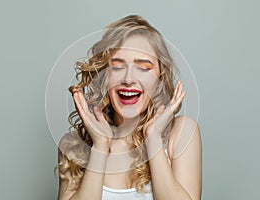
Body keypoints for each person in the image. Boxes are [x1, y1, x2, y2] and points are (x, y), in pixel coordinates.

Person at [57, 15, 202, 200]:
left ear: (160, 77)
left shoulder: (181, 132)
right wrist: (100, 147)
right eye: (117, 67)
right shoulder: (73, 145)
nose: (128, 79)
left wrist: (154, 139)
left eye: (143, 68)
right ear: (103, 75)